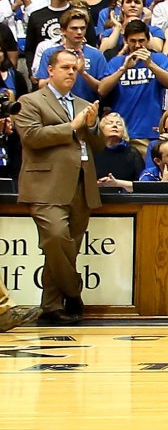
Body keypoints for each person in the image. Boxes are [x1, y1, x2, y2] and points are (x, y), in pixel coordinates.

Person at [15, 49, 104, 325]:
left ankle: (52, 307)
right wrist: (72, 126)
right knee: (55, 239)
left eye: (74, 69)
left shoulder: (83, 103)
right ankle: (73, 291)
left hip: (81, 185)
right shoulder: (29, 102)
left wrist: (90, 128)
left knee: (69, 248)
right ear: (50, 70)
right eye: (65, 67)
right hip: (46, 185)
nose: (70, 72)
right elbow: (32, 137)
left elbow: (99, 145)